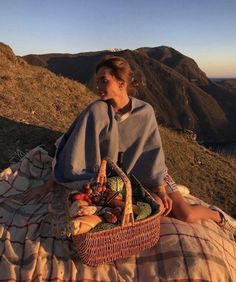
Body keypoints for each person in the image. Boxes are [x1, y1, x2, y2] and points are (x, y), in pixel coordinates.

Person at [22, 56, 235, 235]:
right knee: (153, 211)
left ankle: (219, 216)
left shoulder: (145, 112)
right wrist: (49, 185)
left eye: (104, 81)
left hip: (152, 175)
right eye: (98, 81)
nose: (98, 87)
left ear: (121, 84)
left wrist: (160, 188)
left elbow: (153, 154)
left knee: (186, 214)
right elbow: (72, 150)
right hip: (121, 181)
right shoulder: (96, 112)